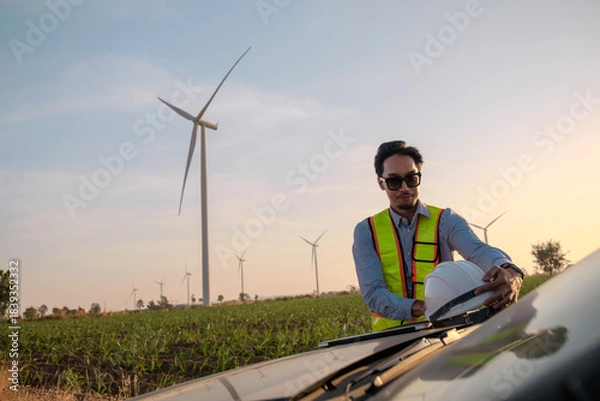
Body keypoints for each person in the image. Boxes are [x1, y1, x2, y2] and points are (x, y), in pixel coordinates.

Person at [352, 140, 524, 331]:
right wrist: (426, 308)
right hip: (389, 339)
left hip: (444, 333)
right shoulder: (366, 231)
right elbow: (374, 293)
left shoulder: (446, 220)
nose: (404, 188)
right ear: (381, 183)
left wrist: (509, 269)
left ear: (419, 176)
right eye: (394, 181)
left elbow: (477, 251)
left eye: (411, 178)